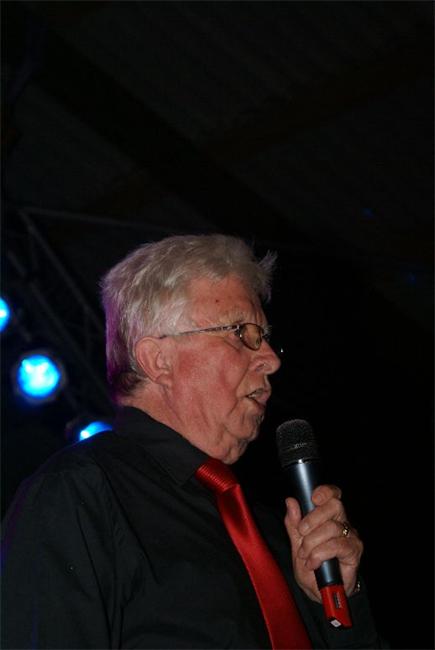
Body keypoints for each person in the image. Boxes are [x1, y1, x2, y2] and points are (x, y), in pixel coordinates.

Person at [1, 234, 385, 649]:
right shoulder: (79, 493)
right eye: (241, 332)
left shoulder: (272, 534)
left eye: (265, 336)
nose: (271, 359)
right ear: (158, 360)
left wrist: (337, 606)